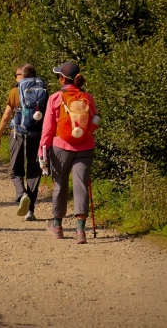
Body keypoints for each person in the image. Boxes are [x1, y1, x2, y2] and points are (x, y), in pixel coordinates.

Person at [38, 62, 99, 244]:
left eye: (59, 76)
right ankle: (80, 231)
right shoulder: (88, 97)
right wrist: (84, 135)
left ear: (63, 78)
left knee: (60, 185)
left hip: (60, 146)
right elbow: (95, 120)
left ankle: (57, 226)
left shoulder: (55, 98)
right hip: (86, 147)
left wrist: (42, 151)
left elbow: (48, 129)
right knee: (81, 185)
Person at [0, 64, 47, 221]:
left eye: (17, 74)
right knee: (34, 172)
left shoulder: (15, 91)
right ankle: (30, 210)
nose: (15, 78)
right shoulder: (43, 91)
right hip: (37, 135)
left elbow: (6, 116)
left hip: (18, 135)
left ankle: (22, 194)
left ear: (23, 76)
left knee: (16, 170)